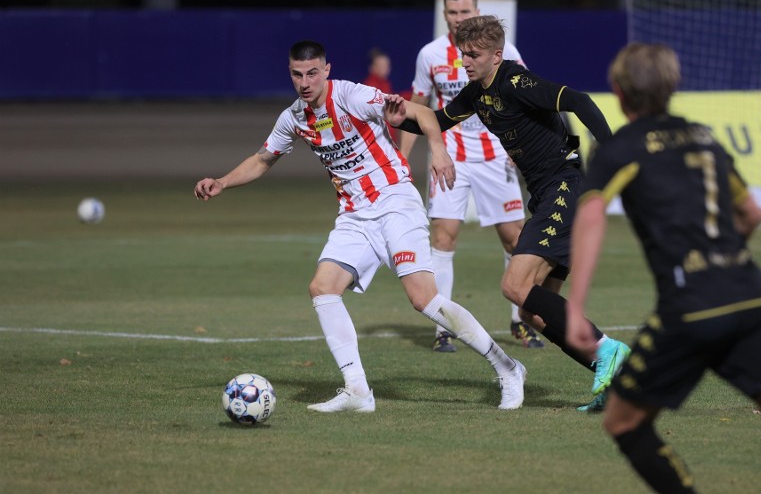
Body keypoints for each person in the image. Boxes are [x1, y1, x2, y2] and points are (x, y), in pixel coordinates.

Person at [565, 42, 761, 492]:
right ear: (673, 87)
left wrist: (575, 304)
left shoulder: (619, 149)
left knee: (624, 421)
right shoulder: (704, 136)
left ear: (618, 92)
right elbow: (751, 213)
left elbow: (593, 213)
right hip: (755, 296)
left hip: (692, 306)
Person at [195, 40, 527, 413]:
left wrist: (437, 149)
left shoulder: (352, 96)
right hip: (355, 215)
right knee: (322, 288)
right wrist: (222, 182)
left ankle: (509, 367)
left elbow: (424, 113)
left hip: (395, 201)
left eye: (312, 73)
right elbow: (262, 159)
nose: (305, 82)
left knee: (423, 299)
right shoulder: (294, 117)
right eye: (297, 74)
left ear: (327, 70)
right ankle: (358, 391)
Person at [385, 15, 630, 410]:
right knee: (533, 311)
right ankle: (615, 380)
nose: (466, 60)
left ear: (497, 56)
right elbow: (439, 120)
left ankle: (608, 350)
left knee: (514, 287)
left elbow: (579, 101)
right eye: (464, 53)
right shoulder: (476, 94)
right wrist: (404, 120)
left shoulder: (516, 82)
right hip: (546, 196)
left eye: (474, 54)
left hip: (565, 188)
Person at [400, 0, 544, 353]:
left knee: (515, 239)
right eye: (452, 13)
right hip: (451, 156)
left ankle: (520, 322)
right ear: (444, 15)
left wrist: (522, 144)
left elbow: (528, 96)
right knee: (443, 237)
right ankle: (444, 327)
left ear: (477, 11)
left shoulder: (505, 51)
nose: (458, 19)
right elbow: (418, 106)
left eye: (465, 12)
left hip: (497, 154)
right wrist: (403, 159)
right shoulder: (430, 54)